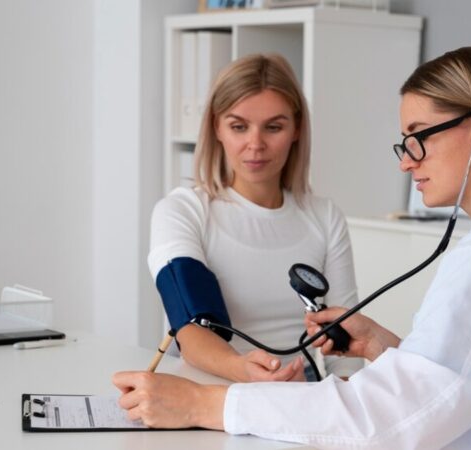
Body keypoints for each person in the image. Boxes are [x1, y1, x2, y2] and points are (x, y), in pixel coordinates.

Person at [114, 47, 471, 449]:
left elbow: (389, 418)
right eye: (238, 126)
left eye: (419, 135)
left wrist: (206, 402)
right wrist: (382, 348)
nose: (405, 160)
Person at [145, 53, 362, 383]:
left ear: (297, 129)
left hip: (297, 390)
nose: (255, 144)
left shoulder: (324, 217)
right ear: (216, 126)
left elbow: (345, 348)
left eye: (273, 127)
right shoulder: (182, 212)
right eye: (238, 127)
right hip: (206, 388)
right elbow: (190, 326)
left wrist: (336, 400)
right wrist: (245, 372)